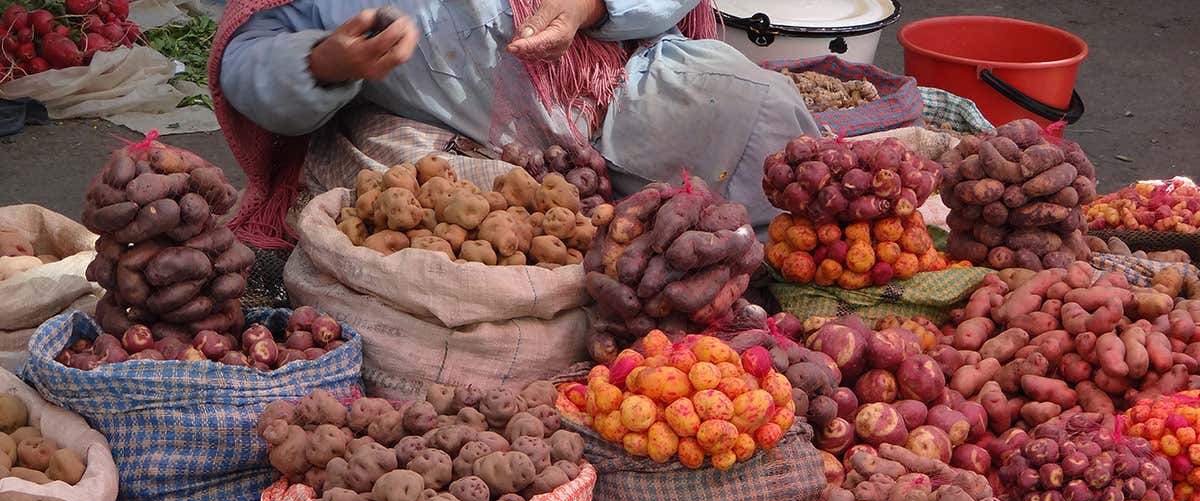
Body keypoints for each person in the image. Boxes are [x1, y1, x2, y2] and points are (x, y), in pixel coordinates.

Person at [211, 0, 820, 247]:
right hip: (466, 149)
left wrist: (589, 6)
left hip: (624, 85)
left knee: (759, 112)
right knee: (406, 212)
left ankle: (767, 275)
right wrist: (325, 61)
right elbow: (249, 61)